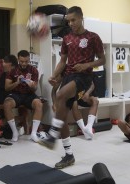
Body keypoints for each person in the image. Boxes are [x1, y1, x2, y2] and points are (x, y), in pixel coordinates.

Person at [38, 6, 105, 151]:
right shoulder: (66, 38)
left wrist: (86, 64)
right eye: (68, 21)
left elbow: (102, 60)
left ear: (81, 18)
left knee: (60, 95)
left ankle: (52, 135)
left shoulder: (93, 37)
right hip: (68, 76)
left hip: (84, 77)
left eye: (73, 20)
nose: (71, 24)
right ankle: (68, 154)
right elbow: (62, 61)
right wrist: (54, 75)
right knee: (61, 114)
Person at [3, 50, 43, 142]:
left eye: (26, 61)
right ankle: (15, 132)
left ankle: (33, 133)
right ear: (18, 59)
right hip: (16, 94)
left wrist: (32, 86)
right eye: (21, 61)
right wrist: (16, 82)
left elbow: (35, 88)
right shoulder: (12, 69)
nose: (24, 63)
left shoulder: (34, 70)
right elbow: (7, 87)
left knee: (39, 104)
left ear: (29, 60)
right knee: (7, 104)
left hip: (29, 94)